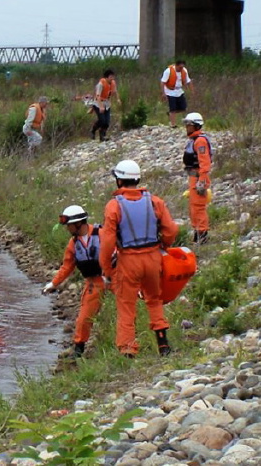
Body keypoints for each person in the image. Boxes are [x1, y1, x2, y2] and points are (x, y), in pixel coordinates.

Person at [99, 160, 179, 358]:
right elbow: (171, 230)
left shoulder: (113, 206)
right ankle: (163, 344)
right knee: (154, 299)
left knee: (126, 304)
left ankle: (128, 349)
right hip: (153, 258)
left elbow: (108, 242)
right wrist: (163, 246)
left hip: (128, 260)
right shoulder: (154, 201)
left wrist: (106, 268)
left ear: (119, 181)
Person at [42, 206, 104, 357]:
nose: (67, 229)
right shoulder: (73, 244)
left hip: (114, 277)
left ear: (78, 224)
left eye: (68, 225)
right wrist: (54, 283)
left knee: (126, 308)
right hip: (93, 281)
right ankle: (79, 348)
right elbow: (67, 266)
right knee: (84, 317)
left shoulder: (102, 234)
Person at [182, 112, 213, 244]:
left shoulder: (200, 141)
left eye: (189, 125)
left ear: (196, 126)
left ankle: (202, 235)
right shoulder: (193, 140)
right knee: (193, 207)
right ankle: (197, 233)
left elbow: (205, 163)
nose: (186, 127)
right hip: (194, 177)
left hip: (199, 178)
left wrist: (202, 180)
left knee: (198, 207)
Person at [160, 60, 193, 128]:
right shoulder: (168, 71)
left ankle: (170, 114)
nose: (181, 69)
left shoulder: (184, 71)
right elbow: (162, 82)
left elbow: (188, 81)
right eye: (180, 67)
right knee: (173, 109)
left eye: (182, 67)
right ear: (176, 65)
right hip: (170, 91)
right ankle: (173, 124)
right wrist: (163, 93)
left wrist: (192, 90)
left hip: (179, 91)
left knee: (183, 108)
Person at [90, 69, 121, 142]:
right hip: (98, 103)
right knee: (102, 120)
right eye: (111, 77)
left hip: (107, 103)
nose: (112, 78)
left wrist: (118, 99)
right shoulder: (101, 84)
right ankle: (93, 130)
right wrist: (101, 106)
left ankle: (102, 136)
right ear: (106, 77)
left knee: (107, 122)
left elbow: (115, 91)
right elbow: (98, 96)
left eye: (113, 76)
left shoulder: (113, 83)